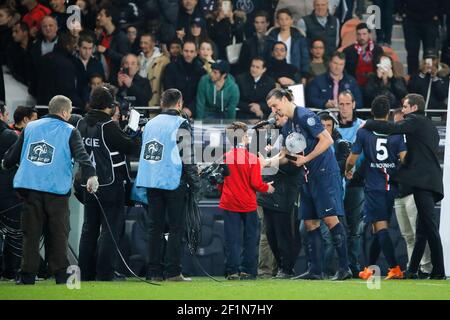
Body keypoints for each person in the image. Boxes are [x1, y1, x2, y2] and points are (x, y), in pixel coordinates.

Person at [2, 95, 98, 285]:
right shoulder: (70, 130)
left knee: (31, 234)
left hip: (30, 189)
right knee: (59, 233)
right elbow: (82, 155)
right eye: (69, 112)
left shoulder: (30, 127)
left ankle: (27, 276)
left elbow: (13, 154)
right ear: (64, 112)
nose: (70, 116)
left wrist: (6, 163)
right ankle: (61, 276)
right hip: (56, 191)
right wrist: (91, 175)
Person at [261, 88, 352, 280]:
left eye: (275, 105)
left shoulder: (304, 115)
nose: (274, 110)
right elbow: (286, 154)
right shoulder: (288, 125)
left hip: (324, 173)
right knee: (310, 222)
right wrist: (268, 162)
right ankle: (315, 271)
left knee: (330, 219)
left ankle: (345, 268)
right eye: (271, 107)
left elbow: (327, 140)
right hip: (308, 176)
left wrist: (307, 158)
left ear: (285, 99)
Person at [364, 93, 445, 279]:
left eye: (406, 107)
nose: (403, 110)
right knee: (423, 230)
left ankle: (439, 270)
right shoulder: (427, 125)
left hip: (424, 182)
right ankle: (413, 269)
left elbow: (392, 128)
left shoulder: (415, 120)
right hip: (428, 182)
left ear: (414, 108)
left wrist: (368, 124)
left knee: (429, 228)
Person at [135, 89, 200, 282]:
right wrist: (195, 183)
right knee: (175, 228)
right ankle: (173, 272)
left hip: (152, 181)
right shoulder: (181, 123)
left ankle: (153, 272)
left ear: (162, 103)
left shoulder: (150, 124)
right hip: (173, 181)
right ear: (179, 103)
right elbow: (187, 156)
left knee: (154, 227)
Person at [77, 86, 140, 281]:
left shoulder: (81, 123)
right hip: (110, 184)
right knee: (110, 230)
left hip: (88, 182)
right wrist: (135, 132)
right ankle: (104, 273)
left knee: (89, 229)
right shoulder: (107, 125)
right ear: (108, 105)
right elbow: (129, 146)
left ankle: (85, 273)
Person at [346, 95, 406, 280]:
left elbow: (352, 159)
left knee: (380, 227)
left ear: (372, 111)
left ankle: (395, 268)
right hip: (390, 186)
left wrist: (348, 170)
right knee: (378, 228)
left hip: (374, 186)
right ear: (388, 113)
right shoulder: (397, 132)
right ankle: (370, 268)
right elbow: (404, 158)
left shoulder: (364, 132)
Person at [219, 121, 275, 280]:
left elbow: (219, 183)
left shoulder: (225, 157)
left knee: (232, 239)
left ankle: (232, 271)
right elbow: (256, 184)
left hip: (229, 203)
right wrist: (267, 188)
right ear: (243, 137)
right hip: (248, 204)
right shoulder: (252, 158)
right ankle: (248, 271)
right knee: (251, 238)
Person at [257, 114, 303, 279]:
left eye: (278, 114)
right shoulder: (269, 139)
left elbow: (294, 166)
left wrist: (271, 162)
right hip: (268, 190)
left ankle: (287, 268)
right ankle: (283, 266)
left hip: (284, 190)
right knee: (270, 233)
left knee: (283, 232)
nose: (275, 119)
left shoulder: (294, 137)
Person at [392, 108, 432, 277]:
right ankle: (412, 268)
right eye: (396, 122)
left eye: (400, 122)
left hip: (412, 192)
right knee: (407, 235)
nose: (397, 125)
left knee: (418, 234)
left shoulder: (413, 143)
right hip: (399, 193)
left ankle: (426, 267)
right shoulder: (393, 140)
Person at [336, 90, 365, 275]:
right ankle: (338, 266)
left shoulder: (362, 127)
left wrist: (353, 171)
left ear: (354, 104)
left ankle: (353, 266)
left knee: (354, 228)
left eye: (347, 104)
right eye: (341, 104)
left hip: (355, 183)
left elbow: (364, 154)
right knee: (335, 227)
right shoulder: (331, 128)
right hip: (335, 183)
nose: (344, 108)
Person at [0, 103, 22, 280]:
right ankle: (10, 271)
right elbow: (17, 159)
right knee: (14, 233)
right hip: (8, 192)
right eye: (6, 113)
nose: (8, 117)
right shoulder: (9, 135)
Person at [265, 8, 310, 84]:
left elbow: (305, 58)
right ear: (277, 21)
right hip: (274, 74)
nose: (284, 22)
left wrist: (304, 76)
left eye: (287, 19)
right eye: (281, 19)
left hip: (294, 74)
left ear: (291, 21)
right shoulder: (271, 37)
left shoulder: (299, 37)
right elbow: (266, 56)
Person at [163, 40, 206, 118]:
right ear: (182, 51)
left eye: (191, 51)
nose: (188, 54)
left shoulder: (201, 70)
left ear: (196, 53)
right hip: (173, 110)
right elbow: (169, 90)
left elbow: (200, 94)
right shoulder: (170, 68)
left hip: (194, 112)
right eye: (186, 51)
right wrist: (178, 108)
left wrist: (190, 109)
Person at [397, 0, 441, 75]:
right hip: (410, 19)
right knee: (412, 53)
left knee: (430, 54)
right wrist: (401, 11)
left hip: (431, 19)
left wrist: (438, 13)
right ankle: (413, 79)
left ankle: (429, 80)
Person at [408, 48, 449, 115]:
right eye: (428, 59)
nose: (431, 62)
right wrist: (423, 73)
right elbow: (412, 90)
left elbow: (443, 96)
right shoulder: (417, 75)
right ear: (424, 61)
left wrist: (435, 78)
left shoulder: (444, 75)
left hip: (437, 113)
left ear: (438, 60)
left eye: (433, 59)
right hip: (419, 113)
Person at [343, 23, 384, 87]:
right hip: (353, 84)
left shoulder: (377, 50)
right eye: (359, 34)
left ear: (369, 34)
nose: (361, 37)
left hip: (374, 85)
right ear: (356, 35)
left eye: (364, 34)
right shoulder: (348, 51)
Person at [95, 4, 129, 82]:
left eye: (101, 15)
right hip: (102, 78)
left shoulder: (121, 37)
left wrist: (106, 51)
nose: (98, 18)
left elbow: (125, 59)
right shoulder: (101, 35)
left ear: (109, 18)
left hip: (116, 80)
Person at [74, 33, 105, 108]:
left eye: (90, 48)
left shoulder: (98, 64)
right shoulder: (71, 62)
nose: (87, 52)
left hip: (93, 106)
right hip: (75, 105)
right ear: (78, 47)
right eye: (84, 48)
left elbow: (102, 85)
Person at [238, 10, 270, 74]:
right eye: (257, 22)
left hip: (268, 77)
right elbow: (242, 65)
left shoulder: (273, 42)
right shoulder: (247, 43)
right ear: (254, 24)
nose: (259, 25)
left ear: (267, 23)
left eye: (262, 22)